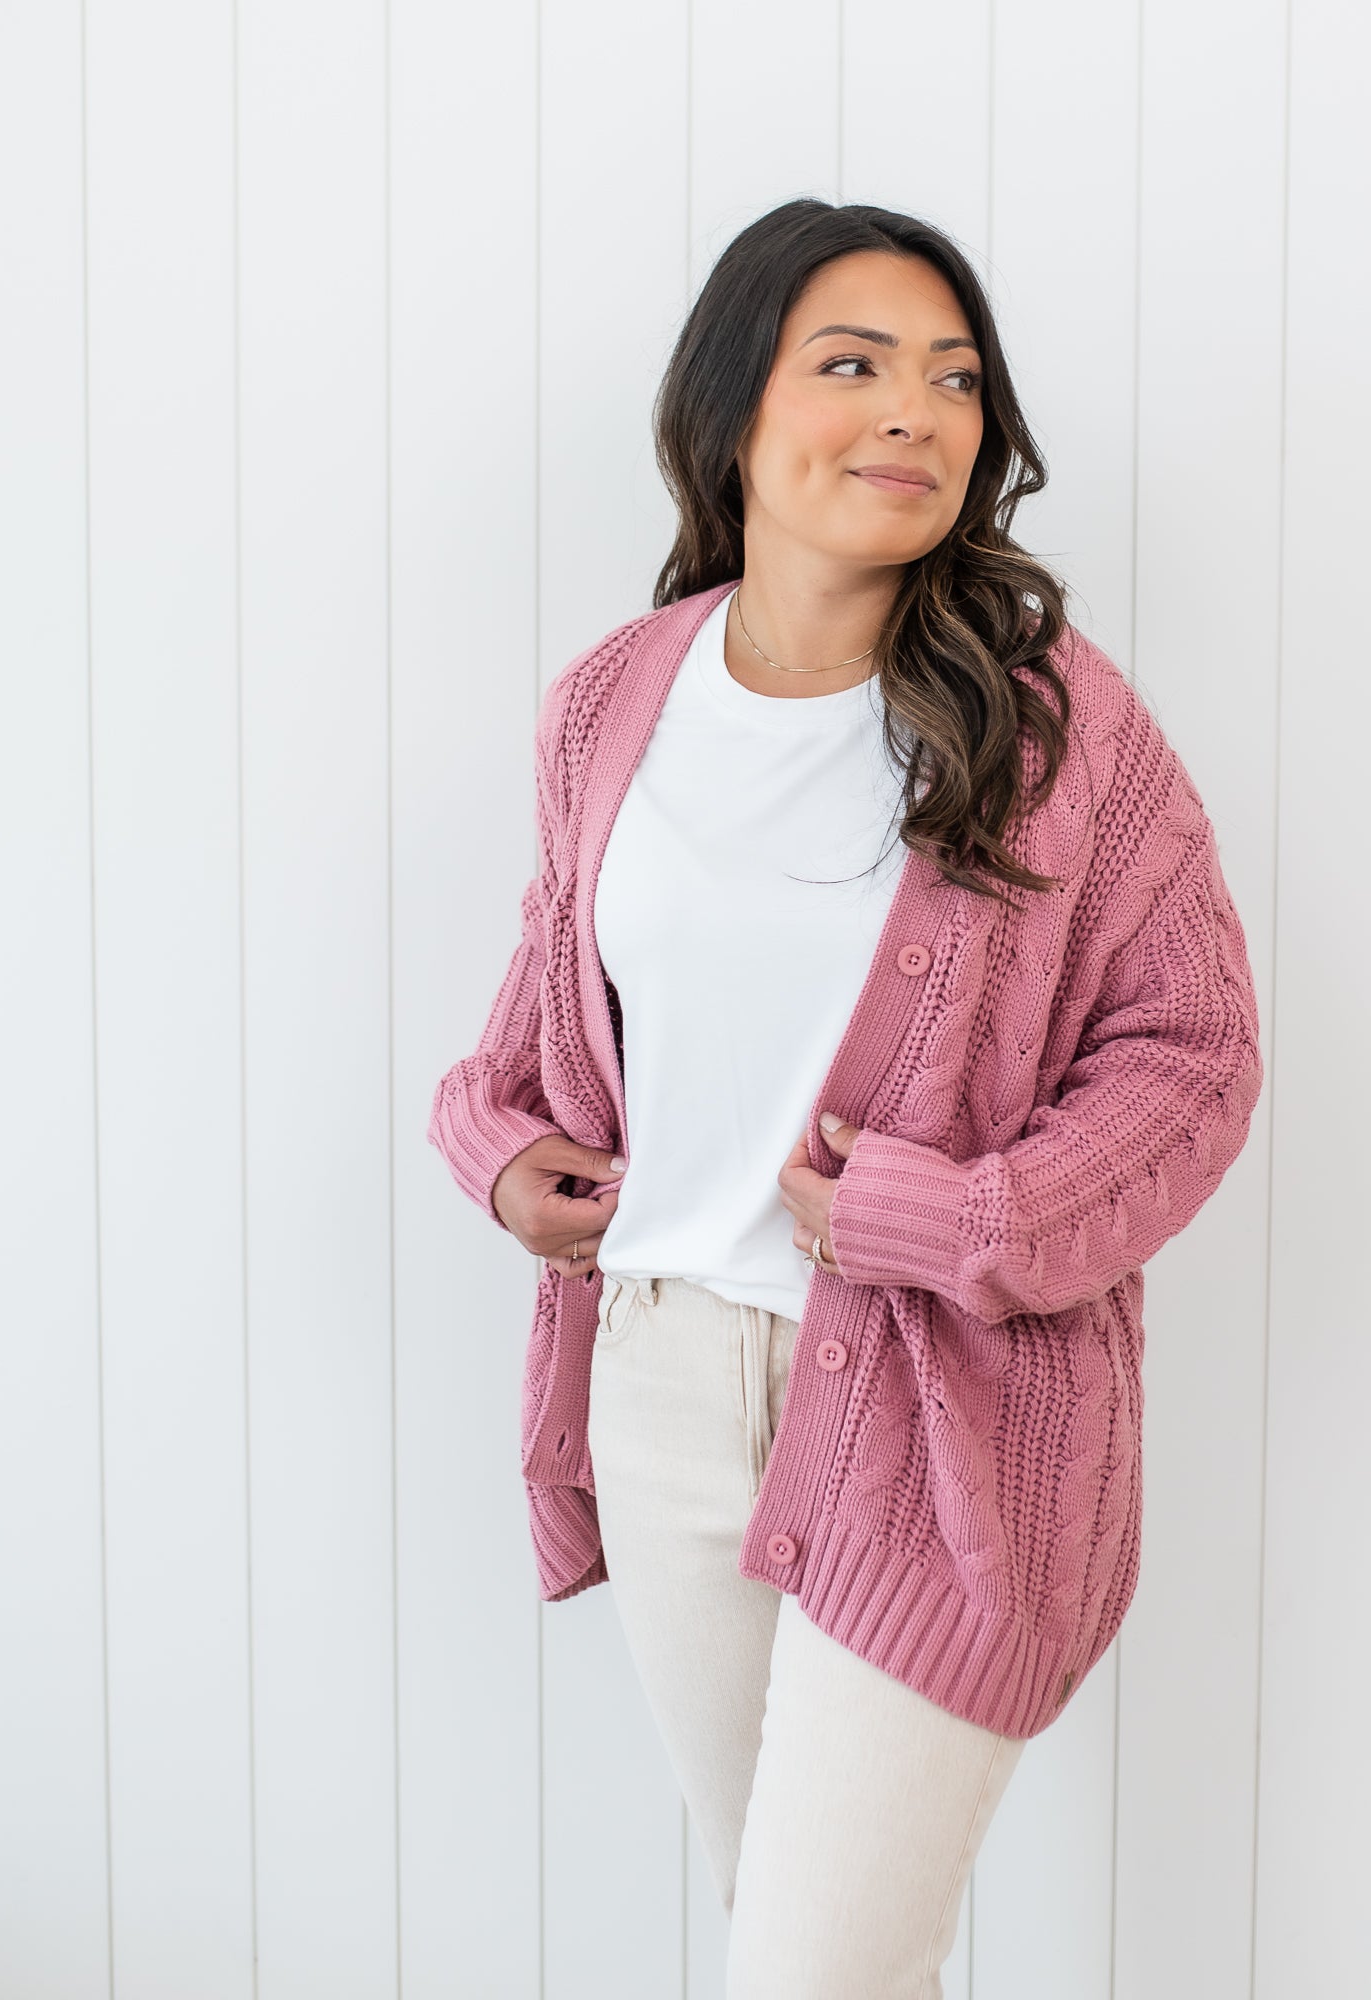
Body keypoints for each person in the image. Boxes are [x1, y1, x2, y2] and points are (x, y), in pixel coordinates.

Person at [427, 198, 1264, 2000]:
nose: (915, 412)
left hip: (936, 1407)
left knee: (813, 1973)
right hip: (661, 1380)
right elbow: (542, 1011)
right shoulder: (613, 701)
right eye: (855, 364)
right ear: (734, 409)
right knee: (804, 1944)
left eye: (954, 379)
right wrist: (494, 1148)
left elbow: (1191, 1057)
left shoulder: (1050, 729)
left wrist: (951, 1216)